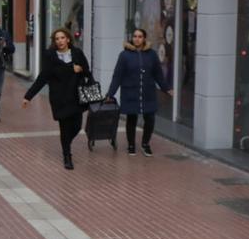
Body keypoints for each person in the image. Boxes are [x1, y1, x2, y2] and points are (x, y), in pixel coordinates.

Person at [22, 29, 91, 170]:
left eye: (62, 38)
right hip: (60, 99)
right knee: (64, 128)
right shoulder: (50, 56)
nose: (60, 41)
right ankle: (67, 156)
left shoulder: (77, 53)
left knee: (77, 126)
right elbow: (42, 78)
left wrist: (81, 69)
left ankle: (66, 143)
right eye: (57, 39)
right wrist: (28, 96)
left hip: (76, 97)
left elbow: (87, 71)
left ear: (68, 39)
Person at [106, 28, 171, 156]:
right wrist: (110, 93)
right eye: (135, 36)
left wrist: (166, 88)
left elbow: (158, 74)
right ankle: (131, 145)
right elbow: (117, 76)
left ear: (144, 38)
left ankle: (145, 144)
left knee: (150, 118)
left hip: (148, 93)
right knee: (131, 119)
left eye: (140, 36)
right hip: (130, 92)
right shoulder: (124, 55)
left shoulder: (152, 54)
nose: (137, 39)